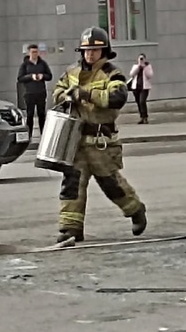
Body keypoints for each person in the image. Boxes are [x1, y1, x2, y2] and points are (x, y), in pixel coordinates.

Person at [51, 27, 147, 246]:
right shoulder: (72, 72)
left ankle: (136, 210)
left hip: (102, 142)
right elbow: (56, 92)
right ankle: (70, 228)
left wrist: (86, 94)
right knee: (72, 184)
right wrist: (67, 95)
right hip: (76, 141)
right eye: (86, 50)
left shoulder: (113, 73)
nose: (89, 54)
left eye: (94, 50)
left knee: (111, 184)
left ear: (104, 51)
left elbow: (117, 98)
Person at [17, 44, 52, 137]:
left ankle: (43, 135)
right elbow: (20, 78)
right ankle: (29, 135)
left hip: (41, 92)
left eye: (36, 52)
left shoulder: (42, 63)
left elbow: (49, 76)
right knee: (30, 115)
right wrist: (31, 77)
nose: (34, 54)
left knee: (41, 114)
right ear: (29, 53)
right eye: (33, 52)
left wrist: (42, 76)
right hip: (29, 93)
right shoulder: (25, 65)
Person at [127, 53, 153, 124]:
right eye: (140, 58)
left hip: (144, 87)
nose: (141, 60)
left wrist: (144, 67)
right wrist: (139, 66)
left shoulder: (148, 66)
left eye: (142, 58)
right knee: (138, 102)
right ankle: (141, 117)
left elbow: (149, 75)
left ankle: (145, 117)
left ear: (145, 59)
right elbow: (132, 74)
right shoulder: (135, 66)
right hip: (136, 87)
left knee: (142, 101)